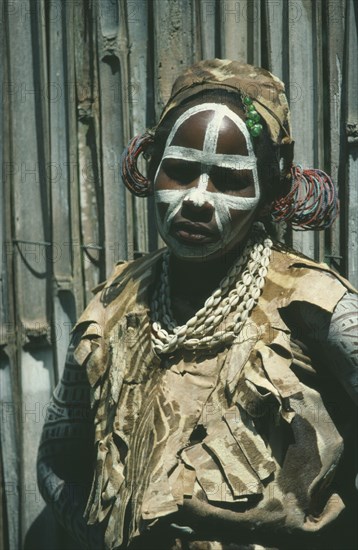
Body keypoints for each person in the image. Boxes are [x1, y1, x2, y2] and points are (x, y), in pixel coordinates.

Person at [37, 59, 357, 550]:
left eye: (229, 180)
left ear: (270, 190)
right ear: (151, 167)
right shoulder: (113, 306)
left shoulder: (319, 309)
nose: (197, 200)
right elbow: (57, 465)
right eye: (181, 172)